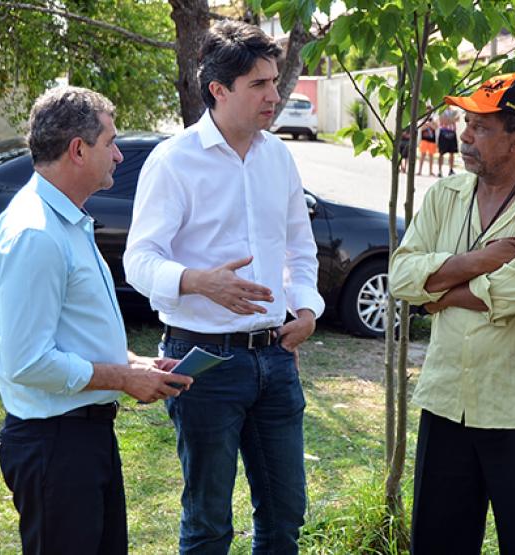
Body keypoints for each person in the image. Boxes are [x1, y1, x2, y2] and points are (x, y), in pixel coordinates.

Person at [123, 20, 324, 554]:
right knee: (209, 523)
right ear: (218, 90)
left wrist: (305, 310)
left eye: (275, 81)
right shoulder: (174, 160)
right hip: (202, 361)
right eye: (259, 84)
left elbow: (300, 250)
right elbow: (138, 261)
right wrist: (196, 281)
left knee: (285, 517)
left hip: (276, 359)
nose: (274, 95)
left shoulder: (278, 157)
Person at [0, 86, 193, 554]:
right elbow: (28, 361)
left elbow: (68, 331)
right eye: (110, 143)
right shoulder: (35, 233)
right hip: (55, 446)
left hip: (81, 436)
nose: (119, 155)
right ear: (78, 150)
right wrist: (120, 377)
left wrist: (132, 364)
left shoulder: (63, 220)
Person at [390, 73, 515, 554]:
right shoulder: (445, 194)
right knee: (438, 542)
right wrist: (478, 261)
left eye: (481, 126)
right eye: (464, 122)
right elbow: (401, 277)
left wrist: (442, 293)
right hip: (446, 397)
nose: (464, 135)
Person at [437, 105, 459, 176]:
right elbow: (443, 121)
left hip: (452, 132)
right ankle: (440, 170)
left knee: (452, 153)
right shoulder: (442, 110)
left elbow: (458, 118)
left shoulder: (454, 110)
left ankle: (451, 170)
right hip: (443, 133)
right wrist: (452, 119)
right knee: (441, 152)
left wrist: (449, 119)